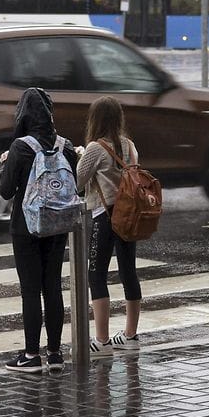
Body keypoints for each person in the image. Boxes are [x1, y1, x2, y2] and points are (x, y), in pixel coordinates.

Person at [0, 88, 79, 374]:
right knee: (53, 286)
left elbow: (5, 191)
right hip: (57, 225)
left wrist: (6, 164)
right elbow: (74, 185)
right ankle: (55, 354)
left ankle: (32, 354)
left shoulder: (21, 147)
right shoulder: (65, 145)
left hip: (26, 227)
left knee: (30, 290)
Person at [76, 96, 143, 357]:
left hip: (104, 216)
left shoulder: (95, 147)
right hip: (129, 215)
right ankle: (130, 335)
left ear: (95, 120)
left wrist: (81, 155)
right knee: (128, 271)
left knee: (96, 274)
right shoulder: (130, 145)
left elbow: (78, 182)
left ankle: (102, 340)